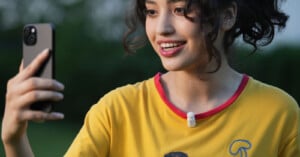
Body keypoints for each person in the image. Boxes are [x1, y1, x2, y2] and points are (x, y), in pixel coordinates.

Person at [2, 0, 299, 156]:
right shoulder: (116, 110)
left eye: (180, 9)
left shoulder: (280, 113)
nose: (161, 29)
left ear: (227, 16)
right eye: (152, 11)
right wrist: (14, 139)